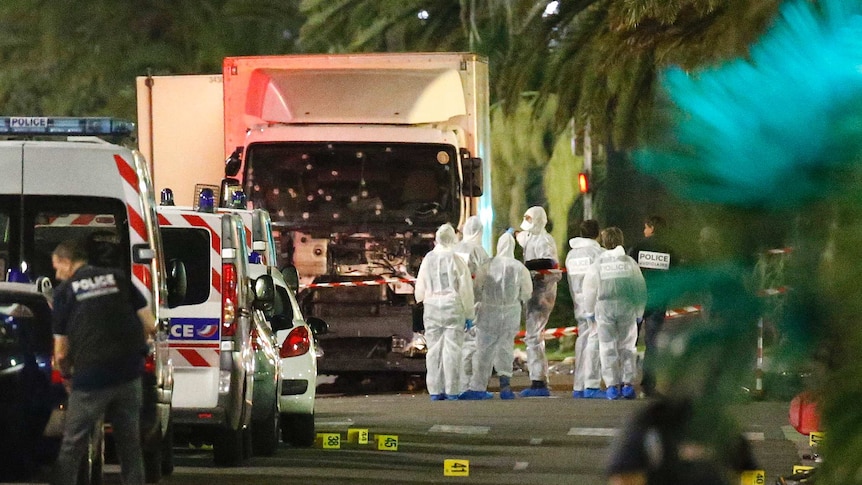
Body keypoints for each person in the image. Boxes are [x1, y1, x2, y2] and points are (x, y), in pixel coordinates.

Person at [50, 239, 154, 485]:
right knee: (130, 445)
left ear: (67, 262)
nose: (56, 274)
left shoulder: (65, 293)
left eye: (57, 267)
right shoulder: (117, 278)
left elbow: (61, 353)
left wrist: (67, 378)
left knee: (72, 445)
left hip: (91, 378)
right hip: (128, 374)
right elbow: (150, 324)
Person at [460, 231, 532, 400]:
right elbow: (527, 293)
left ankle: (478, 387)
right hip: (511, 312)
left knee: (483, 350)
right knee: (506, 347)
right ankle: (505, 386)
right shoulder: (519, 268)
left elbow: (477, 288)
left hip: (489, 312)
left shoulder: (488, 265)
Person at [583, 227, 646, 400]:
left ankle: (612, 386)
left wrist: (589, 312)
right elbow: (640, 288)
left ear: (604, 242)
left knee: (607, 347)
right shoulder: (629, 263)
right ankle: (628, 384)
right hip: (627, 307)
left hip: (604, 308)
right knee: (627, 347)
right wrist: (639, 311)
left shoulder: (598, 264)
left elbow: (589, 290)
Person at [414, 223, 475, 401]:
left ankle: (435, 390)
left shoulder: (428, 258)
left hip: (432, 306)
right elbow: (465, 289)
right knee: (452, 350)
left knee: (433, 350)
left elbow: (420, 286)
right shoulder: (456, 259)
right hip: (452, 307)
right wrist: (469, 314)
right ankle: (452, 390)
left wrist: (422, 300)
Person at [515, 206, 562, 397]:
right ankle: (540, 379)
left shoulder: (544, 240)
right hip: (533, 292)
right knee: (534, 335)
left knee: (533, 336)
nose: (526, 220)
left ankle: (538, 382)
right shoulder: (530, 237)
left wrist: (528, 268)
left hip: (543, 293)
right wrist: (512, 233)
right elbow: (520, 237)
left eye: (529, 218)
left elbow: (550, 264)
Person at [628, 215, 675, 397]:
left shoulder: (638, 248)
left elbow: (628, 269)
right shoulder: (670, 250)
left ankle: (626, 383)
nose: (644, 231)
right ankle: (649, 385)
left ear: (652, 228)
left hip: (638, 299)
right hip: (658, 300)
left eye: (646, 227)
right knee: (652, 343)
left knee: (629, 342)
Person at [565, 219, 605, 399]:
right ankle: (591, 384)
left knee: (582, 341)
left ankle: (579, 385)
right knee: (594, 344)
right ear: (598, 233)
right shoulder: (599, 254)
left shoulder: (571, 255)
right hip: (596, 304)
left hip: (579, 302)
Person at [453, 216, 490, 395]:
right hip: (474, 301)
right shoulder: (479, 251)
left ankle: (454, 384)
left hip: (454, 302)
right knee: (472, 344)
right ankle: (468, 386)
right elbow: (484, 279)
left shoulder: (456, 248)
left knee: (455, 344)